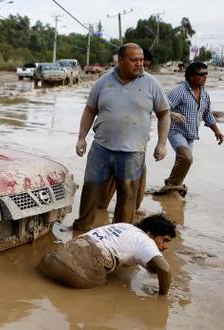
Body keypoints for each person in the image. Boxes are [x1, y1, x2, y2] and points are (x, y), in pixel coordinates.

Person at [73, 43, 171, 231]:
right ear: (121, 61)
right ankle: (81, 229)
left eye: (141, 60)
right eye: (134, 60)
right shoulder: (103, 82)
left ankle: (120, 234)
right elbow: (89, 110)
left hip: (133, 152)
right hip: (101, 148)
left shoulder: (152, 84)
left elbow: (164, 113)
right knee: (90, 191)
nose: (140, 64)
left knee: (127, 195)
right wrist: (81, 138)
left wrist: (162, 143)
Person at [38, 214, 176, 295]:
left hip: (49, 261)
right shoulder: (146, 241)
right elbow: (165, 270)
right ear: (150, 234)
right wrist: (162, 295)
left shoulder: (125, 226)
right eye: (164, 240)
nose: (165, 246)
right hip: (75, 276)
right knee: (106, 292)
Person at [159, 62, 224, 194]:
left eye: (206, 74)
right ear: (191, 76)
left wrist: (217, 131)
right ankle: (172, 185)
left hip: (191, 134)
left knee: (184, 162)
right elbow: (162, 107)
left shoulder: (205, 94)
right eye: (201, 74)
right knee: (186, 158)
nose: (205, 76)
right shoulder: (179, 91)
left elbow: (207, 115)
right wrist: (172, 114)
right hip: (175, 131)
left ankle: (173, 189)